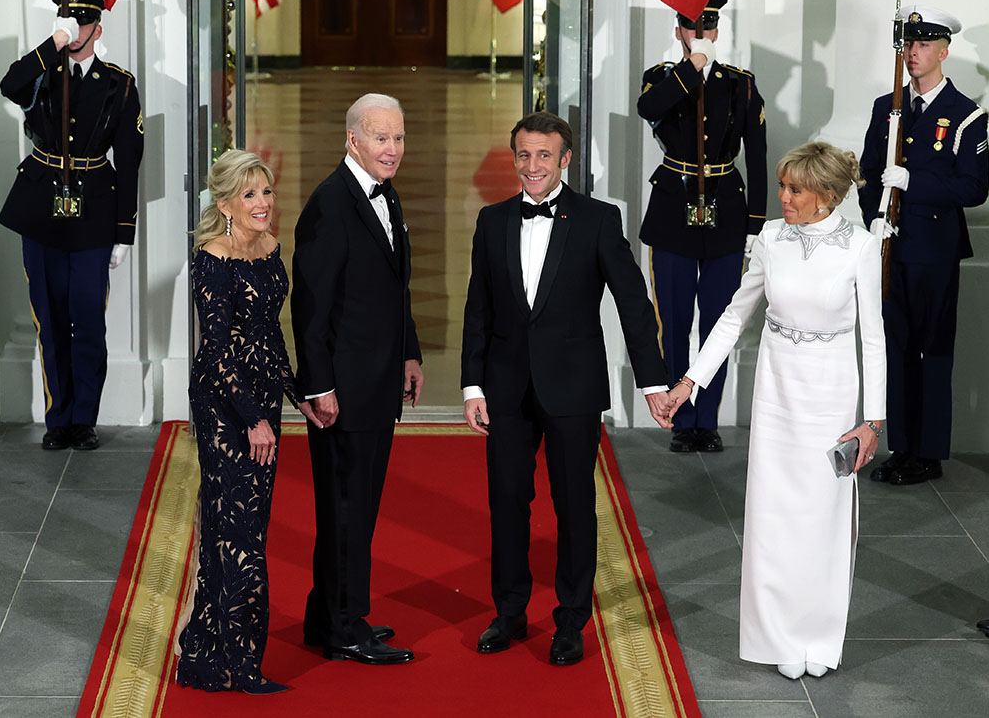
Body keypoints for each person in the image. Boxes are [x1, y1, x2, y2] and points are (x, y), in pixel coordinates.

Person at [461, 112, 671, 666]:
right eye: (524, 155)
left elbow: (633, 303)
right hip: (505, 389)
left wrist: (653, 381)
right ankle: (508, 613)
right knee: (507, 503)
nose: (533, 166)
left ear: (566, 160)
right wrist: (472, 385)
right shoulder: (492, 220)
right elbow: (477, 309)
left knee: (574, 506)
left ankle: (571, 620)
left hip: (573, 390)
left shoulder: (599, 220)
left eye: (544, 156)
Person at [669, 142, 886, 679]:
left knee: (822, 517)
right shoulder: (769, 237)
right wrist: (690, 380)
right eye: (783, 186)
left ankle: (817, 636)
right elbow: (733, 315)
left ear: (827, 197)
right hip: (777, 390)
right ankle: (776, 638)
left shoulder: (861, 246)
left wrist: (873, 420)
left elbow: (875, 339)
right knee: (773, 515)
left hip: (832, 396)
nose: (782, 197)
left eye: (794, 189)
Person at [290, 93, 423, 665]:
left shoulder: (382, 194)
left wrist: (409, 355)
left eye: (397, 137)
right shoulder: (329, 205)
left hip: (377, 379)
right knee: (346, 508)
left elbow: (394, 287)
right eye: (381, 138)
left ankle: (328, 615)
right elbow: (310, 308)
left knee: (357, 506)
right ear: (353, 140)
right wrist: (317, 388)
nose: (392, 149)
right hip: (343, 392)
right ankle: (344, 628)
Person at [177, 150, 308, 694]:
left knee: (245, 527)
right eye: (250, 194)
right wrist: (252, 419)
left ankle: (204, 656)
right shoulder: (213, 256)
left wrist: (296, 394)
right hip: (225, 405)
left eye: (267, 192)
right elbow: (216, 351)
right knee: (239, 536)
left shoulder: (272, 248)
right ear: (225, 203)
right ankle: (242, 664)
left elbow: (268, 334)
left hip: (261, 401)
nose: (263, 204)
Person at [0, 0, 143, 451]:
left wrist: (124, 231)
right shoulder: (41, 73)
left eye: (82, 25)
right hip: (41, 209)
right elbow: (9, 85)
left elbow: (131, 159)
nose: (75, 31)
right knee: (50, 320)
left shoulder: (119, 84)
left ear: (97, 30)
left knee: (87, 320)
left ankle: (84, 418)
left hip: (94, 213)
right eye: (67, 23)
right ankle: (57, 417)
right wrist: (52, 46)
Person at [859, 5, 989, 486]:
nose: (913, 53)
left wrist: (915, 181)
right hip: (891, 245)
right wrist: (875, 216)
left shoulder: (966, 114)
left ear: (944, 51)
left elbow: (974, 188)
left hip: (934, 250)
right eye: (909, 44)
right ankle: (901, 446)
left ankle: (929, 452)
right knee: (895, 348)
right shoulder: (886, 107)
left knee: (932, 350)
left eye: (924, 45)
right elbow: (869, 170)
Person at [637, 0, 767, 454]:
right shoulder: (663, 79)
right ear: (679, 32)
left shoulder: (740, 85)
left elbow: (757, 154)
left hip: (726, 211)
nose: (700, 35)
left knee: (718, 320)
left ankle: (705, 420)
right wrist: (691, 67)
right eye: (691, 28)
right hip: (674, 210)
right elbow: (649, 110)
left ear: (716, 30)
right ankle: (677, 416)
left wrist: (756, 224)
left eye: (707, 27)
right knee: (673, 320)